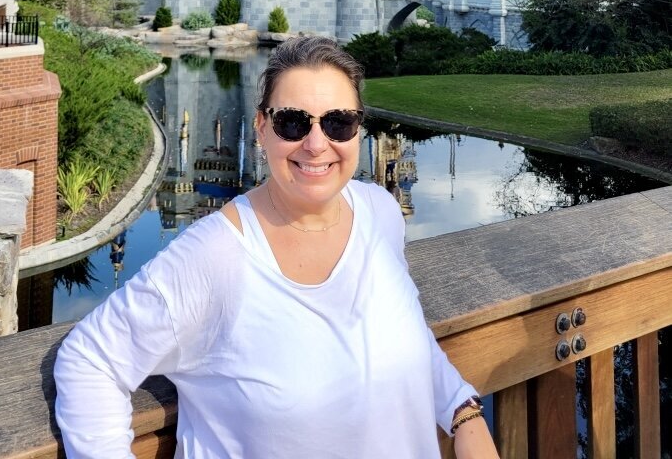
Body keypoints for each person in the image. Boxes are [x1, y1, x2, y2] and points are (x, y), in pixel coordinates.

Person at [54, 36, 500, 459]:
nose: (316, 144)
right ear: (262, 128)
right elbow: (89, 362)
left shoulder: (379, 212)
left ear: (358, 131)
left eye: (338, 122)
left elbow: (405, 330)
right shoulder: (215, 255)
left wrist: (463, 413)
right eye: (292, 122)